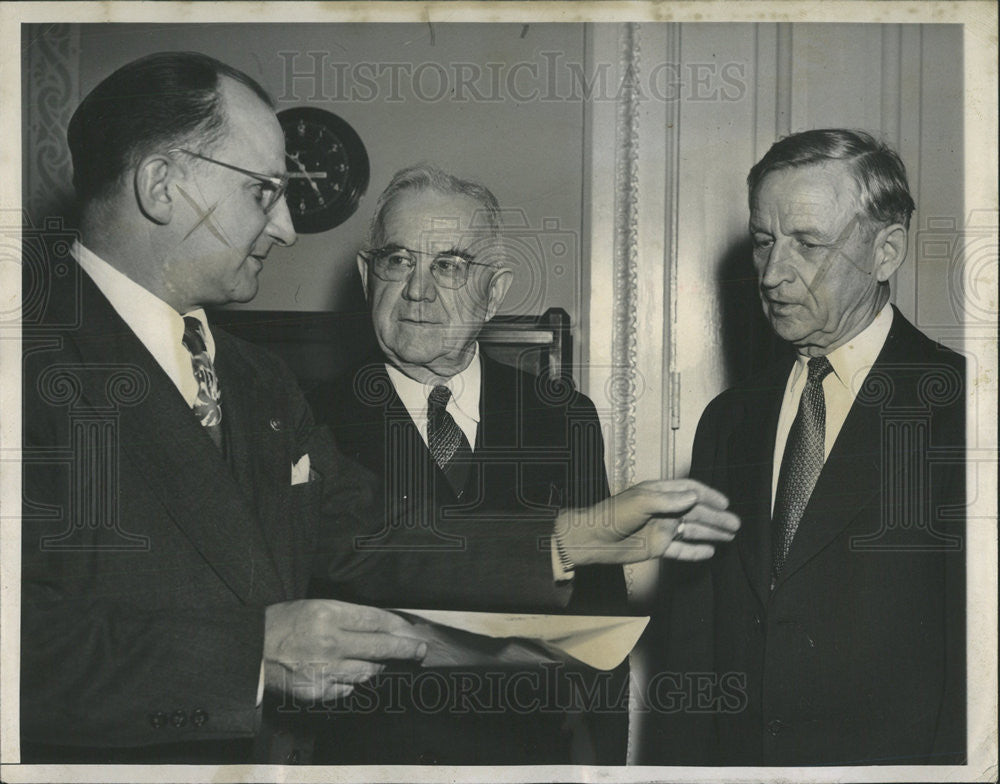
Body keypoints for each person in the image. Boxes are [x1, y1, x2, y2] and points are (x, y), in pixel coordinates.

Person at [22, 52, 739, 765]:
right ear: (162, 185)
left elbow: (373, 536)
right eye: (263, 192)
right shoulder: (28, 368)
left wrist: (571, 539)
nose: (286, 231)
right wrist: (250, 659)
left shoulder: (255, 379)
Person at [645, 129, 966, 766]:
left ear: (886, 252)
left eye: (808, 244)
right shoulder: (728, 420)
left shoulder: (964, 411)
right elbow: (692, 649)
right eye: (764, 241)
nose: (771, 273)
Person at [308, 165, 625, 764]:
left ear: (496, 291)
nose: (418, 290)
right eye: (398, 260)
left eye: (449, 265)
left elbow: (601, 627)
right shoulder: (308, 421)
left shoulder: (562, 419)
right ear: (365, 274)